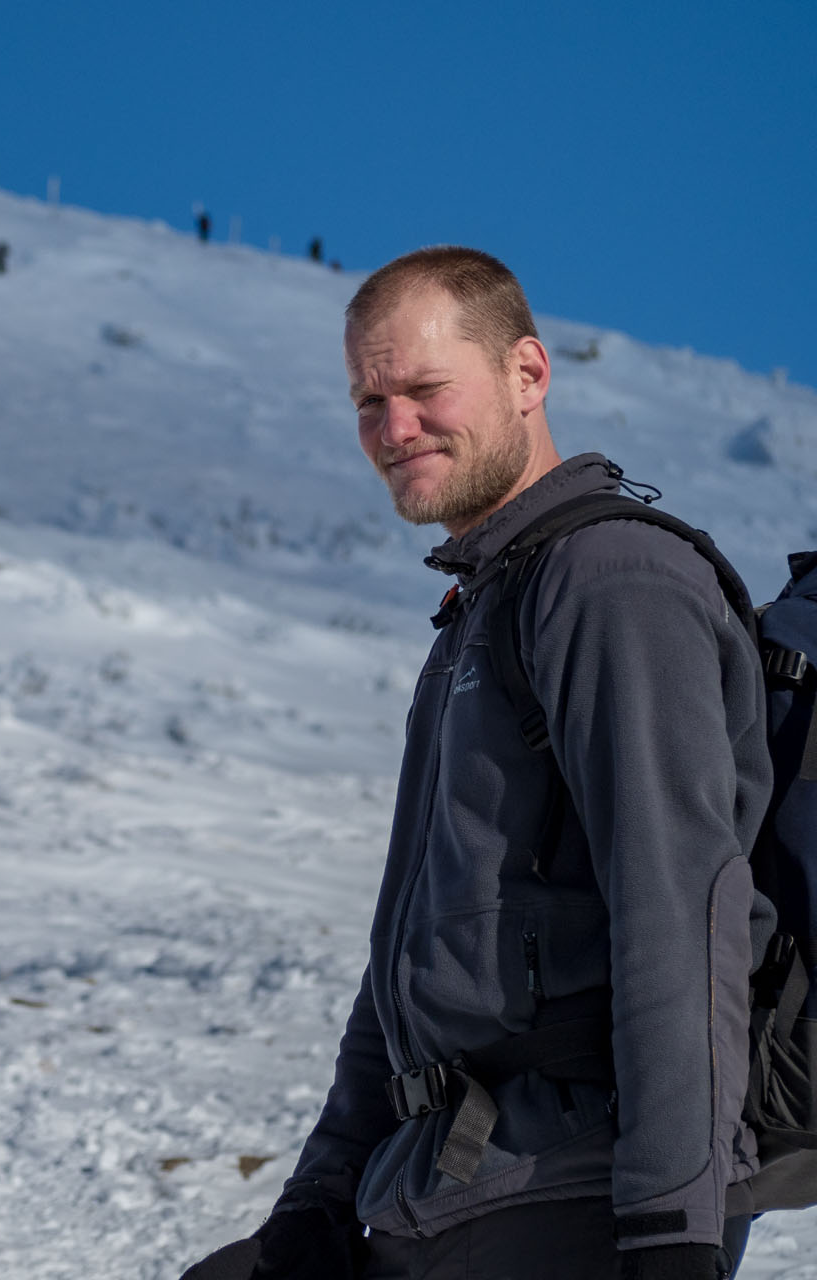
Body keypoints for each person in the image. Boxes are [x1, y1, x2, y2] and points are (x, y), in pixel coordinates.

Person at [214, 247, 771, 1280]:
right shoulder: (481, 609)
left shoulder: (613, 581)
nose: (393, 428)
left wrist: (670, 1230)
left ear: (528, 373)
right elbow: (405, 960)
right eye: (368, 400)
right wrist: (317, 1200)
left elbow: (681, 913)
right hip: (452, 1190)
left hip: (582, 1195)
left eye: (425, 389)